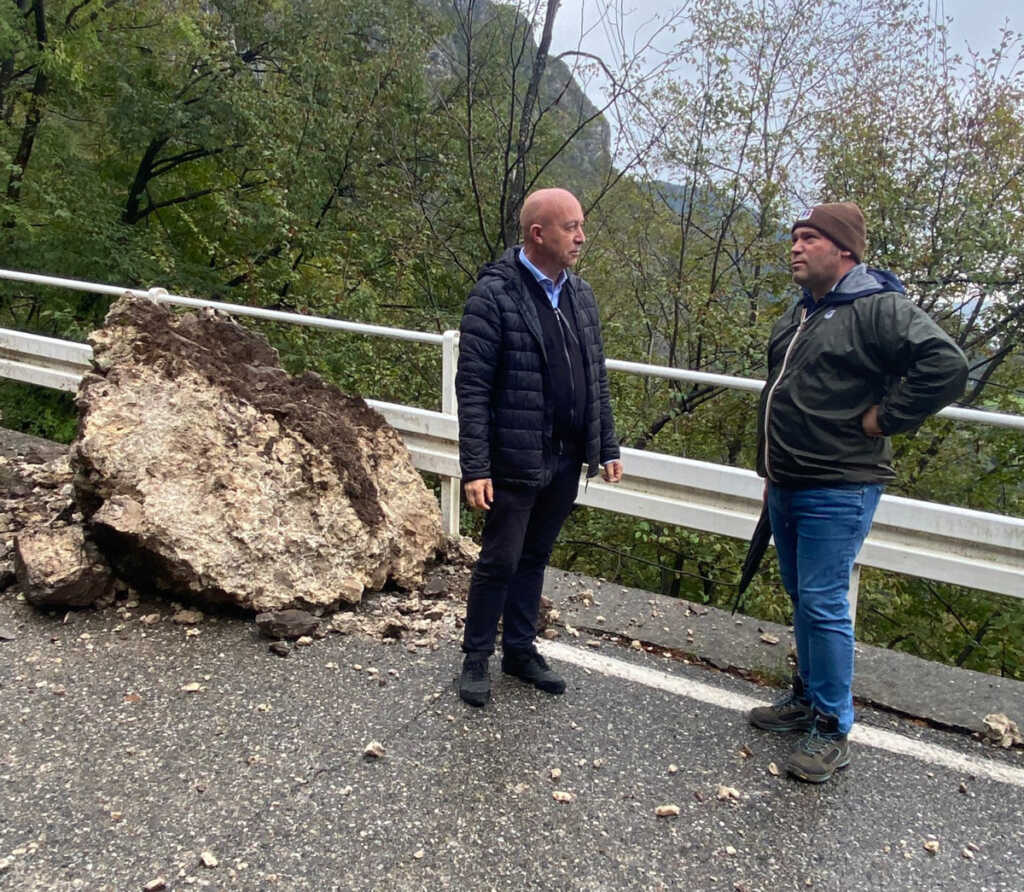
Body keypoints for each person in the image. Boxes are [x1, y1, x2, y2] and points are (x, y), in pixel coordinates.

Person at [750, 202, 968, 781]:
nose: (796, 247)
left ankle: (832, 726)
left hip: (838, 486)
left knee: (823, 602)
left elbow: (947, 366)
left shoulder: (878, 308)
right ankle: (806, 698)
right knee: (804, 596)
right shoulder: (803, 312)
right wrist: (771, 469)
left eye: (809, 238)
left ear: (844, 249)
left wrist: (886, 418)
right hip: (789, 481)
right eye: (794, 238)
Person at [455, 187, 623, 707]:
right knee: (499, 560)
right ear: (537, 234)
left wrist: (606, 444)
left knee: (534, 557)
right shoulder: (494, 296)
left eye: (581, 225)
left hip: (566, 456)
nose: (581, 236)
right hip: (515, 455)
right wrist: (475, 467)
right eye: (571, 227)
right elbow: (473, 388)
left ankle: (520, 651)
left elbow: (595, 375)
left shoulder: (580, 295)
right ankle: (475, 657)